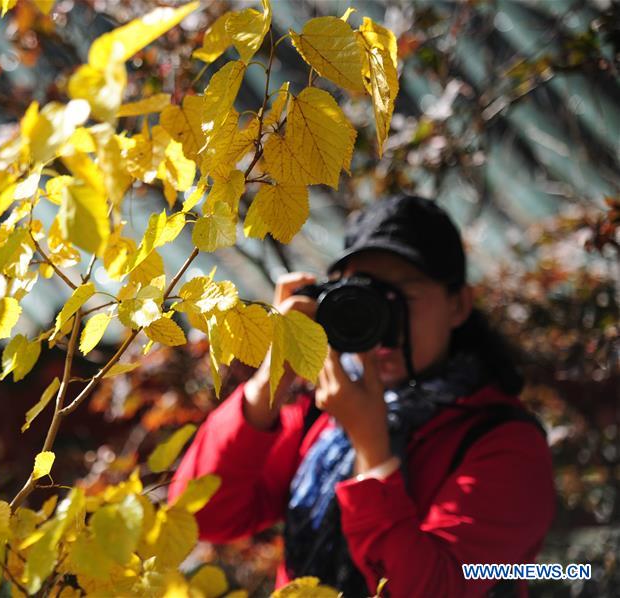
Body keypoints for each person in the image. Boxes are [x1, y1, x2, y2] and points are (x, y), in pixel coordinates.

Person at [168, 195, 556, 597]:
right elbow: (201, 516)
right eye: (366, 293)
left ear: (458, 304)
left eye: (404, 291)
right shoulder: (323, 412)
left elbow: (438, 587)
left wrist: (372, 451)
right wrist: (271, 379)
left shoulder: (506, 445)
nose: (385, 316)